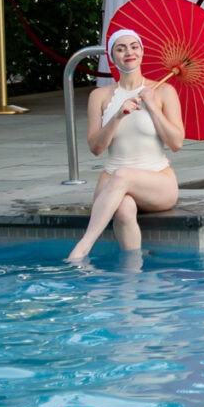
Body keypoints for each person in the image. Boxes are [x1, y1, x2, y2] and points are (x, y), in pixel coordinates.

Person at [66, 27, 184, 264]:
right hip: (112, 180)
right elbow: (95, 148)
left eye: (134, 47)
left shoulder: (164, 91)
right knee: (123, 209)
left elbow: (176, 143)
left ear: (142, 52)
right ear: (112, 57)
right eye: (120, 49)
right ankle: (132, 272)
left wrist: (152, 107)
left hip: (157, 182)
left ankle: (82, 248)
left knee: (122, 175)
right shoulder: (99, 96)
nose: (128, 52)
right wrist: (117, 116)